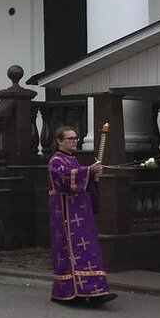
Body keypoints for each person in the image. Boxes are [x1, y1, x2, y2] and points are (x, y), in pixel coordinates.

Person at [47, 126, 116, 306]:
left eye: (76, 138)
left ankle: (94, 290)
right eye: (70, 138)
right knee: (71, 253)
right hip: (66, 218)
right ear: (59, 141)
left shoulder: (73, 160)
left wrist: (92, 175)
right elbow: (63, 180)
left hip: (80, 216)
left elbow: (81, 180)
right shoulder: (56, 161)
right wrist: (88, 171)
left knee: (87, 251)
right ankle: (70, 292)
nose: (74, 141)